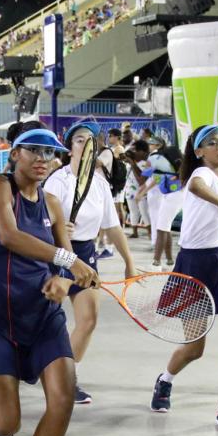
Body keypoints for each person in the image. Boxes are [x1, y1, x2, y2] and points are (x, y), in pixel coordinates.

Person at [0, 122, 99, 436]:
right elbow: (9, 236)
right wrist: (69, 263)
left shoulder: (53, 206)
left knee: (62, 399)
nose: (43, 160)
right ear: (15, 154)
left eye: (50, 153)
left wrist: (63, 281)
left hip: (44, 320)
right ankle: (0, 435)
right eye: (33, 151)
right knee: (8, 418)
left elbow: (62, 259)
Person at [148, 124, 218, 427]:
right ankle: (165, 379)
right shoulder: (201, 176)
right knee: (195, 348)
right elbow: (196, 188)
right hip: (194, 267)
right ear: (199, 152)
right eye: (212, 143)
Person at [43, 122, 136, 404]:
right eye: (80, 140)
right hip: (56, 253)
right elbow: (41, 222)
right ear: (70, 147)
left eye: (91, 141)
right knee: (47, 323)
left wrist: (129, 262)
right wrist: (56, 231)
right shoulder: (57, 182)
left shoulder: (99, 184)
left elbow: (112, 226)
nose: (86, 145)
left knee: (88, 320)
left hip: (86, 253)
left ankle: (67, 380)